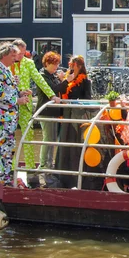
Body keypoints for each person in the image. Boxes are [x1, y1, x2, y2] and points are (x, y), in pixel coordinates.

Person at [11, 39, 60, 169]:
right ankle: (10, 168)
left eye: (23, 53)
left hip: (25, 105)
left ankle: (30, 168)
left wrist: (52, 95)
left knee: (28, 137)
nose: (21, 56)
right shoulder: (6, 64)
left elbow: (39, 80)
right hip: (10, 106)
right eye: (18, 53)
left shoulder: (29, 63)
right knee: (9, 138)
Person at [0, 42, 30, 186]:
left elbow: (8, 90)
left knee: (7, 147)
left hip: (9, 117)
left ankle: (3, 177)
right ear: (5, 55)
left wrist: (21, 92)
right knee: (3, 147)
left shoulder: (5, 70)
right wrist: (18, 100)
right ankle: (0, 179)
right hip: (3, 117)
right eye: (13, 55)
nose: (15, 58)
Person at [55, 55, 92, 189]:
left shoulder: (85, 81)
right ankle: (62, 174)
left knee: (76, 145)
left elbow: (88, 98)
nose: (70, 68)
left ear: (79, 67)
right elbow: (61, 92)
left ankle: (76, 175)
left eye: (73, 65)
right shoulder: (67, 79)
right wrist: (64, 81)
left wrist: (76, 101)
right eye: (70, 65)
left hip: (78, 118)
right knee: (65, 143)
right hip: (67, 116)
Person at [36, 52, 71, 169]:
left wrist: (62, 80)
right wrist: (66, 81)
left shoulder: (52, 76)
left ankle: (49, 163)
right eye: (54, 64)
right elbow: (53, 89)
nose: (56, 67)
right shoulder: (42, 76)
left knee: (52, 138)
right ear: (47, 63)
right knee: (48, 138)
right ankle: (43, 164)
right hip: (46, 111)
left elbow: (58, 89)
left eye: (57, 64)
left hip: (53, 111)